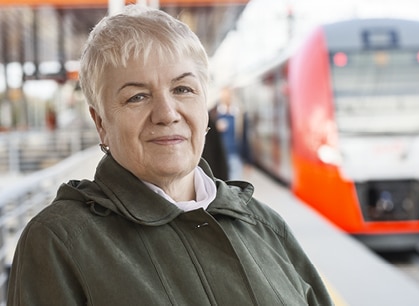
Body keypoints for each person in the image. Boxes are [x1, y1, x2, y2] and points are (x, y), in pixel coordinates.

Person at [6, 5, 333, 306]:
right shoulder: (59, 242)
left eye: (183, 89)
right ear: (101, 123)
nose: (166, 113)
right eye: (137, 96)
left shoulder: (263, 225)